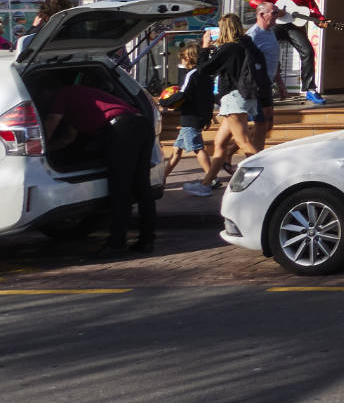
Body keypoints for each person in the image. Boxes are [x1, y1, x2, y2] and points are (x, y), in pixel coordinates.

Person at [42, 81, 154, 253]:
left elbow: (50, 126)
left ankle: (116, 242)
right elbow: (68, 137)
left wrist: (40, 148)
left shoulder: (61, 95)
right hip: (142, 124)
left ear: (47, 92)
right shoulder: (78, 96)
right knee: (141, 185)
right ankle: (147, 240)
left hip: (121, 129)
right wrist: (49, 150)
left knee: (120, 187)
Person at [196, 13, 263, 192]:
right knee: (220, 144)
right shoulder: (245, 45)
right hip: (244, 96)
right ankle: (206, 184)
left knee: (243, 142)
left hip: (234, 98)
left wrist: (204, 47)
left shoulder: (229, 49)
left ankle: (267, 175)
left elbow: (204, 70)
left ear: (223, 29)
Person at [248, 0, 330, 104]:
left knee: (308, 52)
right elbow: (253, 0)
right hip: (276, 24)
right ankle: (262, 85)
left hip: (294, 26)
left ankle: (310, 90)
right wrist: (273, 9)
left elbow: (313, 9)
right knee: (266, 51)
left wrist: (320, 21)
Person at [162, 44, 218, 190]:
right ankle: (161, 179)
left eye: (183, 58)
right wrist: (208, 116)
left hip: (190, 117)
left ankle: (212, 178)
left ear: (189, 58)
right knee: (176, 151)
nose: (182, 61)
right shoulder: (205, 76)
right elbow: (209, 98)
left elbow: (183, 94)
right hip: (198, 116)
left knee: (197, 148)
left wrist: (165, 102)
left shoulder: (191, 75)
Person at [246, 4, 284, 147]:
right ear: (262, 14)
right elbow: (245, 62)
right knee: (261, 123)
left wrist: (279, 82)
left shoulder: (271, 32)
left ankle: (232, 149)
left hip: (267, 84)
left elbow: (274, 59)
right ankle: (254, 155)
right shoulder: (253, 35)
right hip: (256, 85)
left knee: (267, 124)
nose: (277, 17)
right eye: (274, 13)